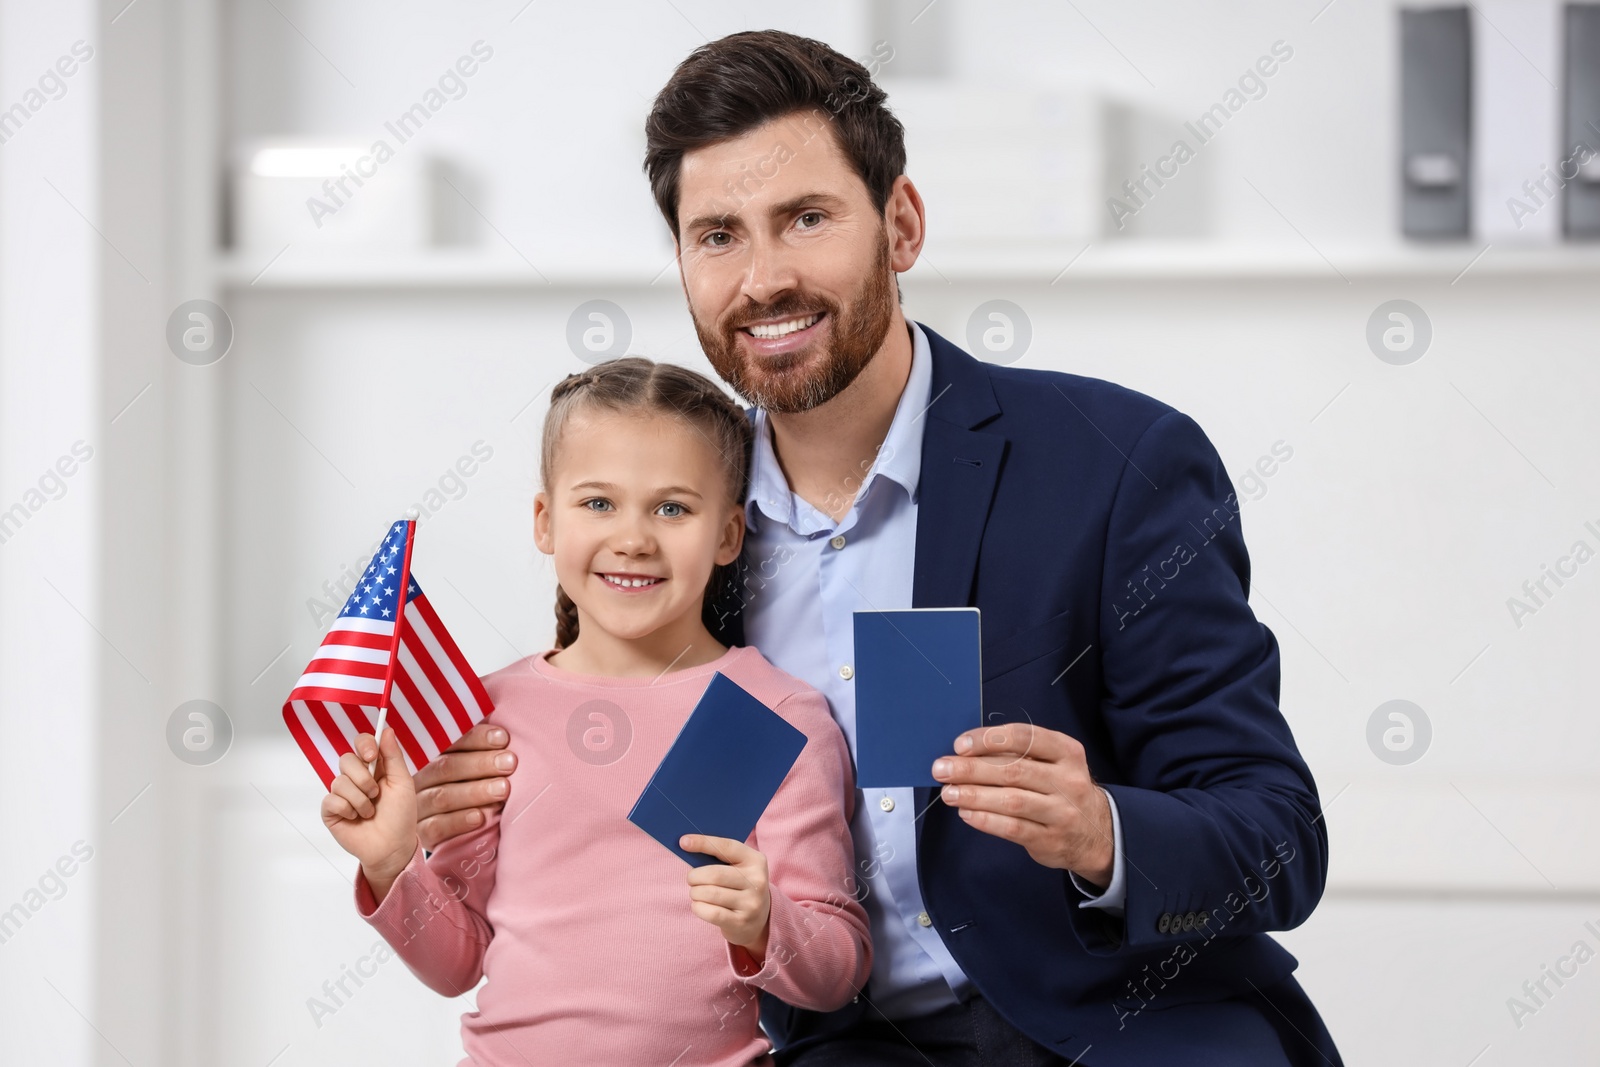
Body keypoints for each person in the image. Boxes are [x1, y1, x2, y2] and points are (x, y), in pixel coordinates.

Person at [413, 29, 1342, 1067]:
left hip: (1121, 1020)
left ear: (899, 225)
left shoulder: (1118, 465)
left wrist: (1099, 832)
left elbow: (1278, 839)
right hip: (845, 1039)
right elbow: (619, 823)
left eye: (805, 219)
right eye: (717, 233)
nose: (763, 278)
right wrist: (449, 823)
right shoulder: (684, 532)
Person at [319, 357, 872, 1066]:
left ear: (729, 535)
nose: (634, 537)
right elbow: (456, 963)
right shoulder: (489, 717)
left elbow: (839, 969)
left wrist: (769, 921)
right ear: (546, 521)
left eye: (672, 507)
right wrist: (396, 861)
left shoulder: (776, 715)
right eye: (599, 503)